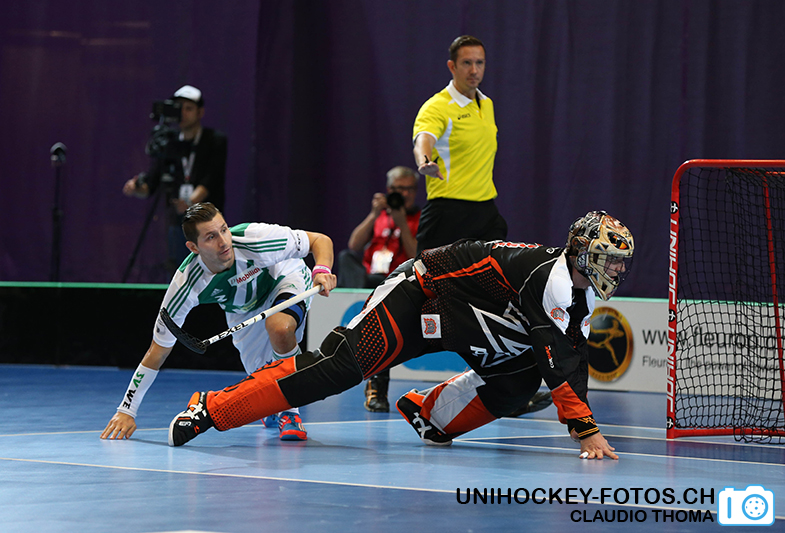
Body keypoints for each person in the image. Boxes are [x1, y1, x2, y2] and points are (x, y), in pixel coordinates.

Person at [167, 211, 634, 461]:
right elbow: (558, 359)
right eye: (609, 258)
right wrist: (586, 431)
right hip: (417, 293)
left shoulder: (578, 292)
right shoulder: (552, 279)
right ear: (581, 251)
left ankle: (431, 415)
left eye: (620, 262)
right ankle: (211, 408)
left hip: (460, 314)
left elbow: (570, 357)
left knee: (517, 381)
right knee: (337, 369)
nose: (615, 269)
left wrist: (582, 423)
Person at [101, 202, 337, 442]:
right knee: (263, 378)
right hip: (242, 310)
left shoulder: (255, 238)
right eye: (211, 237)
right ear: (193, 247)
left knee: (280, 328)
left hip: (284, 278)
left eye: (224, 230)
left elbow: (320, 240)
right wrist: (127, 410)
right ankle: (273, 404)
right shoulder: (186, 284)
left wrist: (321, 269)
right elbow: (158, 350)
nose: (224, 242)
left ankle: (290, 412)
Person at [412, 35, 507, 255]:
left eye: (479, 63)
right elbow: (423, 138)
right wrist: (424, 160)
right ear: (452, 66)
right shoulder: (437, 107)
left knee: (494, 273)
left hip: (485, 211)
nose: (474, 70)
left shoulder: (487, 104)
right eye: (466, 63)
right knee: (428, 276)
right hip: (448, 212)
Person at [337, 166, 421, 412]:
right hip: (369, 279)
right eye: (398, 189)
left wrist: (402, 223)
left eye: (408, 189)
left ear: (416, 192)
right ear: (388, 190)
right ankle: (358, 294)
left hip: (397, 282)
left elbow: (416, 256)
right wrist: (374, 214)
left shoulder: (419, 218)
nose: (403, 194)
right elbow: (354, 244)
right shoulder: (380, 216)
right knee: (345, 257)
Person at [123, 85, 228, 271]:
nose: (183, 113)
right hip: (178, 222)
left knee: (211, 268)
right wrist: (136, 188)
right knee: (178, 267)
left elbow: (211, 179)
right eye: (179, 108)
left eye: (189, 108)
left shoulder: (214, 140)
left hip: (207, 219)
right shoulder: (169, 142)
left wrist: (190, 203)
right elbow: (151, 183)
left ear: (200, 112)